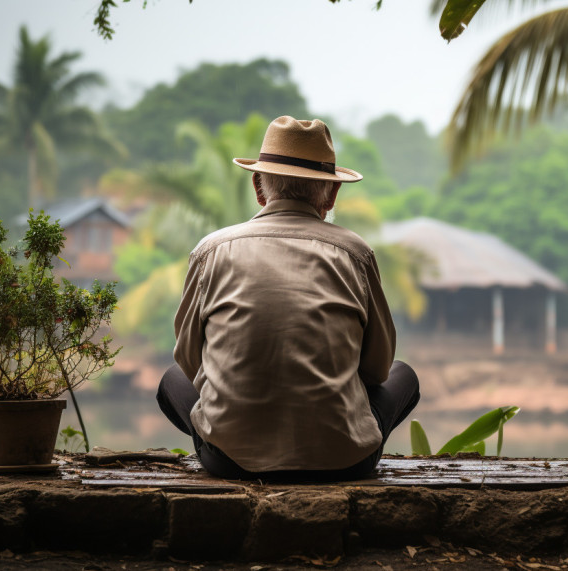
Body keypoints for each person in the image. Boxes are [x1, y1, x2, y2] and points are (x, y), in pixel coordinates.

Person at [156, 115, 420, 481]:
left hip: (229, 461)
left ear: (259, 188)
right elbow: (377, 370)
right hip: (345, 463)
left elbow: (188, 358)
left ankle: (235, 437)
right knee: (403, 375)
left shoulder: (211, 250)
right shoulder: (355, 254)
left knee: (172, 379)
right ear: (331, 194)